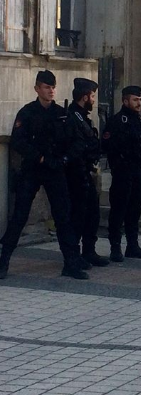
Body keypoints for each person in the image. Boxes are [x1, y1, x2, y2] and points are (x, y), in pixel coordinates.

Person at [0, 70, 86, 280]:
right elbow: (19, 141)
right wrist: (39, 158)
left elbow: (77, 141)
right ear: (37, 89)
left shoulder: (62, 113)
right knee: (19, 216)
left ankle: (71, 264)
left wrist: (64, 160)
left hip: (55, 169)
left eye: (53, 87)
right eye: (47, 87)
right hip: (33, 169)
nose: (51, 91)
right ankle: (3, 261)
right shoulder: (27, 112)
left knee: (63, 216)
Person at [102, 85, 141, 262]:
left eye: (139, 99)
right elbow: (109, 146)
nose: (138, 102)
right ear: (125, 101)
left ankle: (133, 245)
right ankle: (115, 247)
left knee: (134, 209)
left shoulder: (139, 120)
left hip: (136, 170)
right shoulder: (117, 121)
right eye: (135, 99)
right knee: (118, 210)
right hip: (122, 172)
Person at [65, 78, 109, 268]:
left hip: (86, 172)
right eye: (92, 96)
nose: (94, 100)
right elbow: (74, 147)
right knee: (78, 215)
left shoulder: (82, 117)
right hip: (76, 173)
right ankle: (75, 255)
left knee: (92, 214)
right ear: (84, 97)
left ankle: (88, 251)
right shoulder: (72, 117)